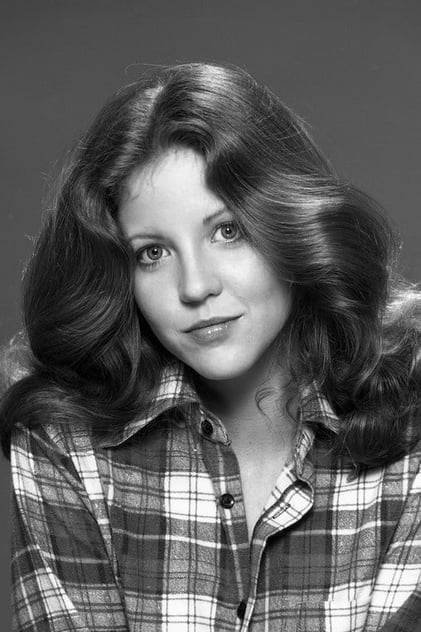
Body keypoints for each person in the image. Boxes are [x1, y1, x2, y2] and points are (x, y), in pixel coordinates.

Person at [1, 62, 420, 632]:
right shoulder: (64, 443)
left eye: (228, 231)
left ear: (292, 223)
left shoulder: (413, 422)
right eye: (152, 253)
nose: (195, 287)